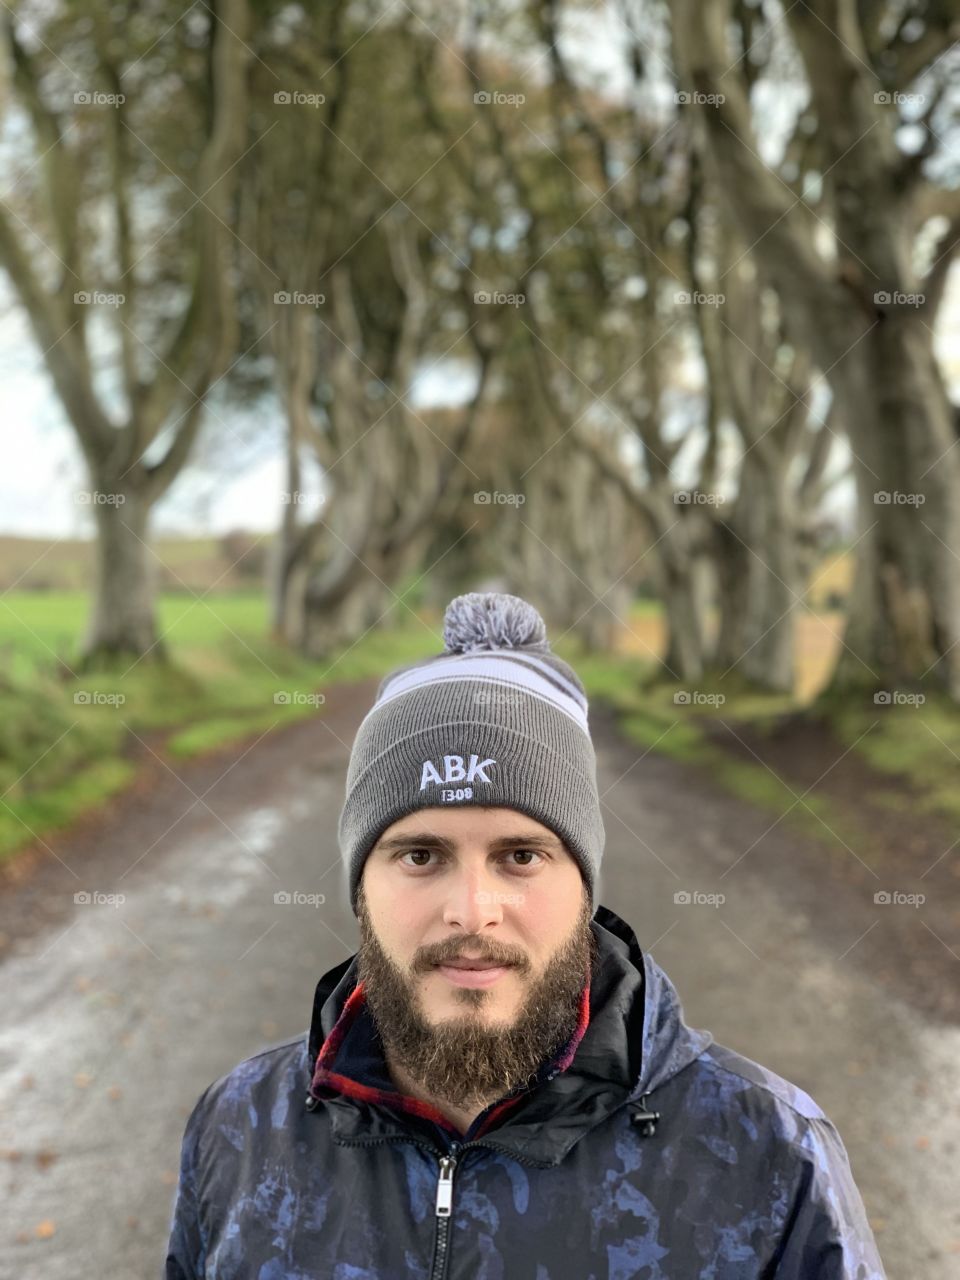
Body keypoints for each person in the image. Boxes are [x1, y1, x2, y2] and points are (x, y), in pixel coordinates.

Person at [165, 592, 887, 1279]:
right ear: (361, 887)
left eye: (520, 856)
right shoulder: (240, 1128)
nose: (472, 911)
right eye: (420, 856)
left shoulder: (767, 1155)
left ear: (584, 888)